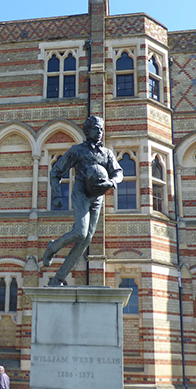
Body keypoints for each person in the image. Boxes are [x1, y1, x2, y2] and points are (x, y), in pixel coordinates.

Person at [42, 116, 123, 286]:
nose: (99, 132)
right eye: (95, 128)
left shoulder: (107, 153)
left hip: (98, 195)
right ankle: (52, 247)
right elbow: (56, 172)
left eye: (101, 128)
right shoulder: (77, 150)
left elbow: (118, 172)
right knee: (80, 232)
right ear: (87, 131)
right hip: (81, 191)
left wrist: (112, 182)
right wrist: (56, 195)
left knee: (86, 240)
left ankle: (58, 279)